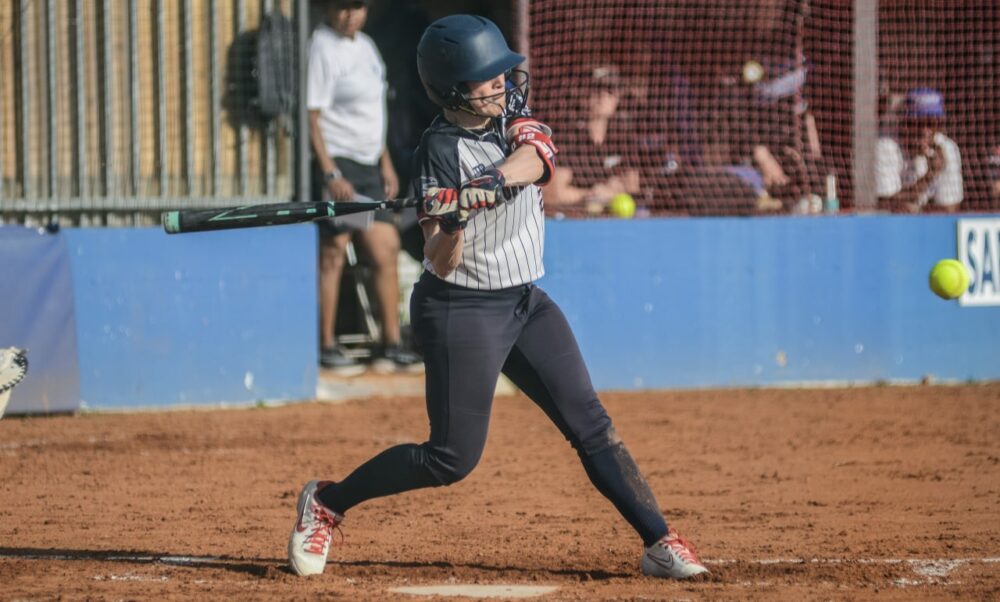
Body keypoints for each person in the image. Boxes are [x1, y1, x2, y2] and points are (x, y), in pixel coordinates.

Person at [287, 14, 708, 581]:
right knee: (451, 459)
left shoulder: (512, 115)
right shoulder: (435, 151)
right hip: (459, 307)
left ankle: (659, 540)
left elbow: (535, 160)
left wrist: (483, 187)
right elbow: (437, 256)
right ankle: (327, 502)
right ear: (454, 87)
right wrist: (454, 218)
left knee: (591, 424)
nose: (502, 85)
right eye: (488, 79)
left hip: (524, 302)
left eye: (501, 75)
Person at [307, 0, 421, 374]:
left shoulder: (368, 47)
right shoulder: (322, 47)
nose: (349, 15)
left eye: (356, 7)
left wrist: (384, 161)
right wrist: (330, 174)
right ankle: (325, 344)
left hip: (370, 165)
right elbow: (312, 117)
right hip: (340, 166)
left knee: (385, 247)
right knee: (335, 248)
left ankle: (390, 344)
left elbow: (377, 114)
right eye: (341, 8)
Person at [876, 88, 964, 213]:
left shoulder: (947, 148)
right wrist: (930, 176)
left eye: (931, 123)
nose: (924, 130)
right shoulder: (886, 146)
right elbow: (885, 206)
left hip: (925, 224)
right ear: (905, 122)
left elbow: (950, 209)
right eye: (918, 122)